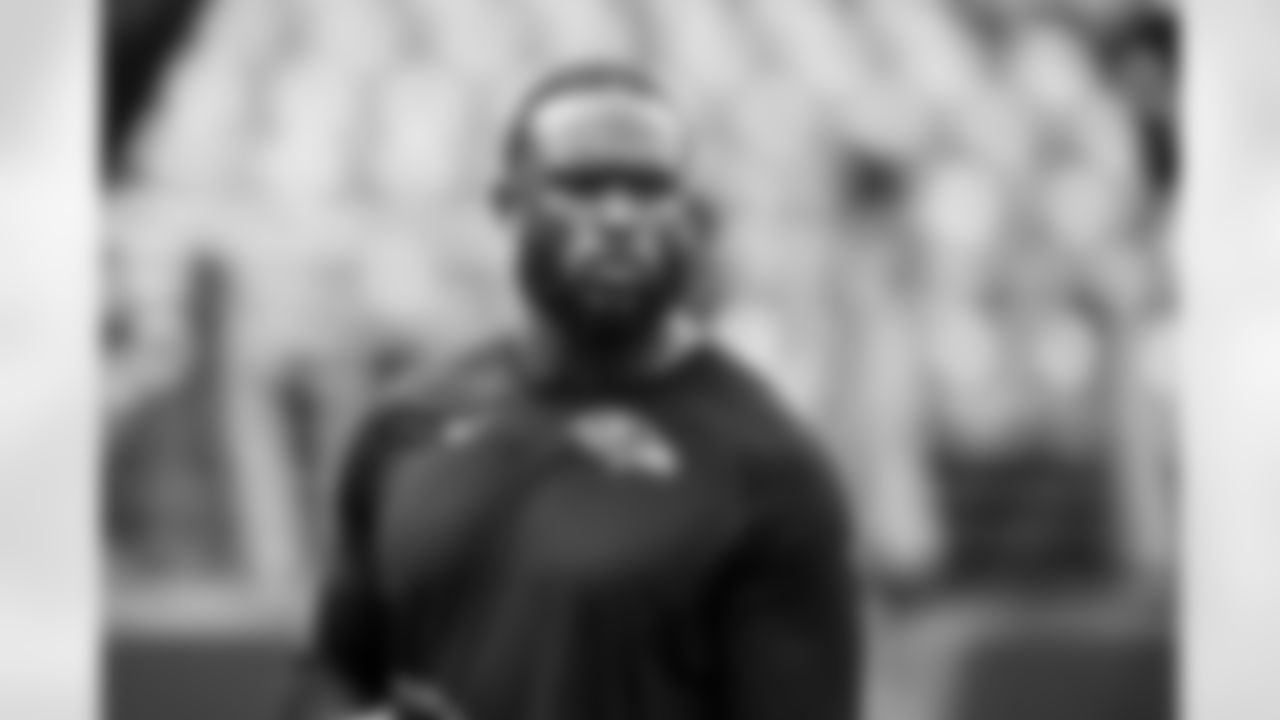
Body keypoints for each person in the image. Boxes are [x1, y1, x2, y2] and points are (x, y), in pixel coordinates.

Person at [289, 62, 860, 720]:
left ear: (687, 213)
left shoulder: (772, 470)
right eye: (582, 186)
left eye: (650, 189)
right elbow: (328, 675)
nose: (619, 217)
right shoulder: (402, 428)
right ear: (507, 202)